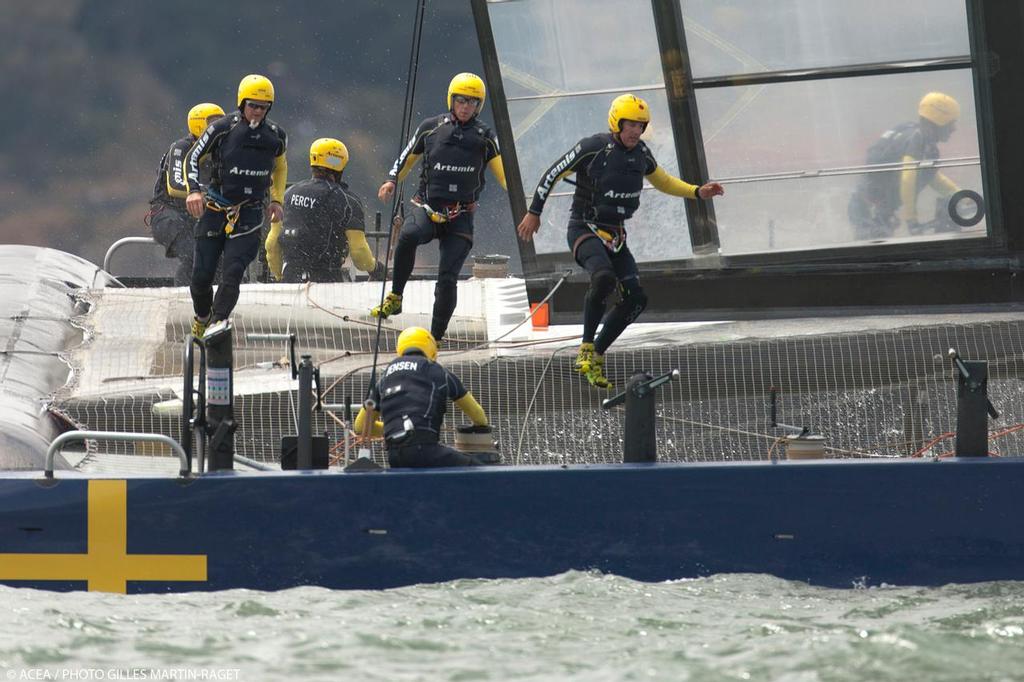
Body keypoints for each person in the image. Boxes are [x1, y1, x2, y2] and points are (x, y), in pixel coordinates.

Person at [517, 94, 724, 389]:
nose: (636, 131)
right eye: (631, 125)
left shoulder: (641, 153)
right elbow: (552, 173)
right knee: (603, 278)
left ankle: (597, 355)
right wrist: (534, 213)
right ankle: (586, 349)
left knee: (637, 299)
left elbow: (663, 180)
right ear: (617, 122)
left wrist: (696, 192)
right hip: (584, 228)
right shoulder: (594, 147)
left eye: (641, 126)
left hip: (615, 236)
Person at [371, 72, 507, 341]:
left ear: (479, 106)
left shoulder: (486, 136)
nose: (466, 106)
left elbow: (505, 175)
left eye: (472, 102)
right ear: (451, 100)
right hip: (428, 208)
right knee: (408, 236)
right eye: (461, 100)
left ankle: (436, 337)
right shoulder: (431, 127)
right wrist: (391, 180)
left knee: (447, 278)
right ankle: (396, 296)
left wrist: (524, 201)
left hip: (461, 216)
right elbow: (406, 157)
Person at [183, 74, 287, 338]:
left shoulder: (275, 135)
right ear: (242, 103)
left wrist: (277, 199)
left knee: (233, 272)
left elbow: (280, 166)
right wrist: (194, 192)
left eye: (264, 108)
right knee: (202, 277)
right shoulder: (221, 128)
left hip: (250, 212)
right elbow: (193, 157)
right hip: (216, 208)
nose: (257, 112)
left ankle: (217, 324)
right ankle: (203, 317)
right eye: (253, 105)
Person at [354, 326, 491, 468]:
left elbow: (360, 426)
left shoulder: (383, 378)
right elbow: (478, 415)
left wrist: (394, 428)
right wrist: (480, 425)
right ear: (431, 349)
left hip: (395, 456)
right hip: (424, 450)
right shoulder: (437, 371)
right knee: (478, 470)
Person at [265, 138, 386, 283]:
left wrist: (280, 278)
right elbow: (359, 254)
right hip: (326, 281)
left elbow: (271, 244)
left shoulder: (288, 193)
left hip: (290, 277)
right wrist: (377, 269)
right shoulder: (347, 200)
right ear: (340, 164)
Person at [848, 92, 962, 240]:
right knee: (873, 249)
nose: (954, 129)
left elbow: (931, 178)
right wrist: (911, 219)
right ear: (938, 121)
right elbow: (908, 178)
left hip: (868, 207)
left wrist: (960, 194)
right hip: (869, 209)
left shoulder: (917, 138)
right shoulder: (917, 139)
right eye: (951, 123)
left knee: (877, 245)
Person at [148, 102, 225, 286]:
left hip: (197, 218)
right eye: (213, 124)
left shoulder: (220, 153)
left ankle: (216, 302)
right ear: (199, 124)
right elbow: (175, 185)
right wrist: (204, 193)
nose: (218, 129)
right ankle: (182, 298)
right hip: (167, 215)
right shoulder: (181, 148)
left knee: (222, 260)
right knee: (195, 254)